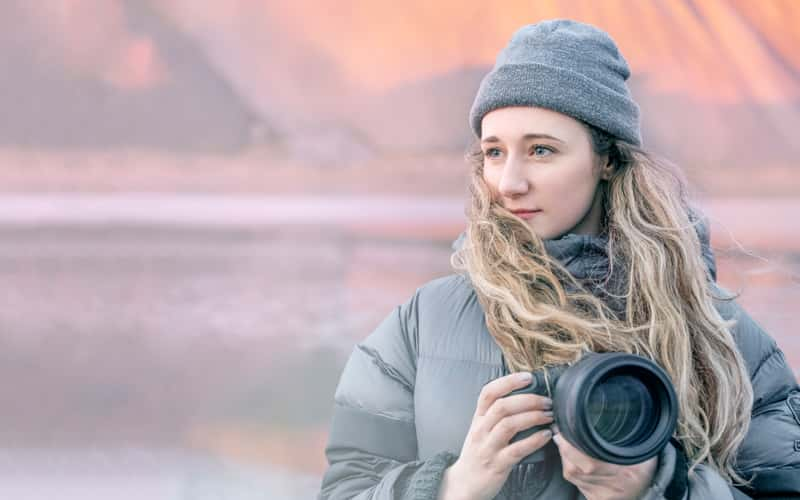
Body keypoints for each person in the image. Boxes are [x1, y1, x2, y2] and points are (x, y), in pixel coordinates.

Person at [317, 19, 800, 500]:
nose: (509, 182)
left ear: (606, 159)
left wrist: (657, 488)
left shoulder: (721, 335)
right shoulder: (422, 324)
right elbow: (345, 488)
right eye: (494, 152)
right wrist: (452, 486)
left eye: (541, 150)